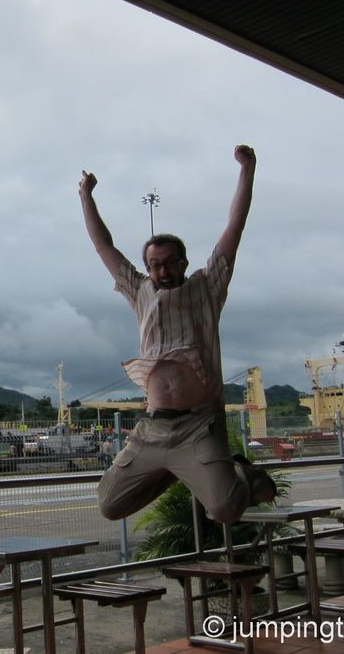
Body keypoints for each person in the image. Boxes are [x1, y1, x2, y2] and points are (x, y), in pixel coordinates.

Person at [79, 144, 275, 524]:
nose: (163, 271)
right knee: (110, 505)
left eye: (170, 263)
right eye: (154, 265)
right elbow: (103, 245)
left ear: (184, 262)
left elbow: (235, 227)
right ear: (147, 268)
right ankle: (175, 469)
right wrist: (86, 196)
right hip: (153, 426)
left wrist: (247, 169)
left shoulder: (207, 287)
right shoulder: (140, 292)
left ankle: (240, 474)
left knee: (223, 510)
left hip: (199, 424)